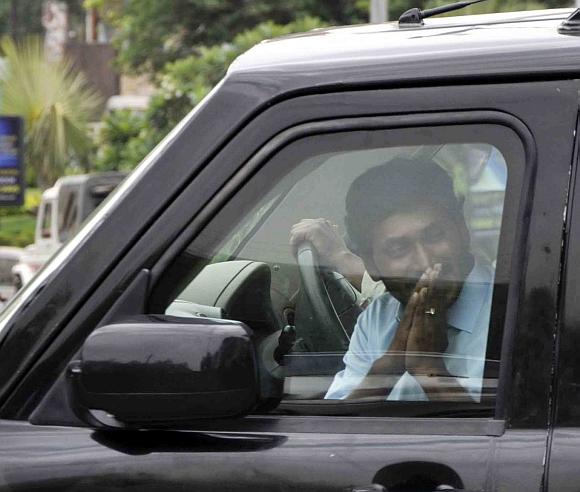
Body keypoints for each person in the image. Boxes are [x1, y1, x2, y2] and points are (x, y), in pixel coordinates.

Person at [291, 157, 494, 402]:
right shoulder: (378, 317)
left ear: (461, 228)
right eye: (399, 249)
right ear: (371, 264)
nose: (424, 261)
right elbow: (342, 423)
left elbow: (504, 436)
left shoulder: (510, 314)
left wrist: (428, 369)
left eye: (435, 235)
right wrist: (390, 362)